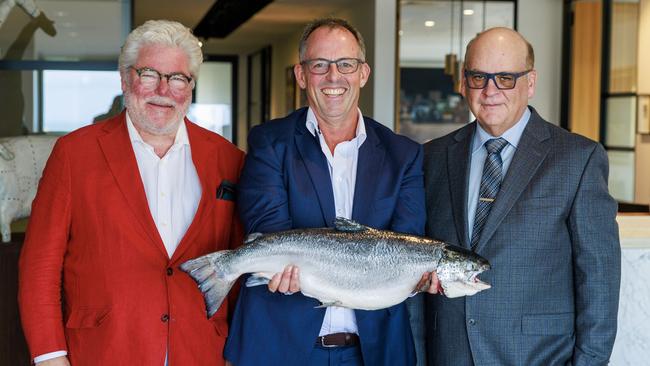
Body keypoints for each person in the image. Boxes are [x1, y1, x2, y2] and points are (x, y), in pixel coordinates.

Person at [18, 20, 244, 366]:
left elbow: (241, 268)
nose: (164, 90)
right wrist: (51, 357)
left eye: (178, 78)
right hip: (103, 352)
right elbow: (40, 267)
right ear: (125, 79)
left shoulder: (228, 159)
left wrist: (237, 353)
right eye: (149, 74)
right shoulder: (73, 154)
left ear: (191, 87)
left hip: (202, 353)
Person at [224, 17, 436, 366]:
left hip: (373, 351)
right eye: (320, 65)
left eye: (345, 64)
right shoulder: (270, 142)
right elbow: (271, 231)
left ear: (363, 74)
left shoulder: (404, 154)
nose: (333, 77)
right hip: (283, 346)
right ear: (301, 75)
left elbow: (405, 242)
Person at [423, 27, 621, 365]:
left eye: (505, 78)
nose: (490, 91)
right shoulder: (432, 158)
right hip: (449, 354)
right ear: (462, 82)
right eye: (478, 77)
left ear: (530, 82)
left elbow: (598, 279)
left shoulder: (578, 158)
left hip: (537, 357)